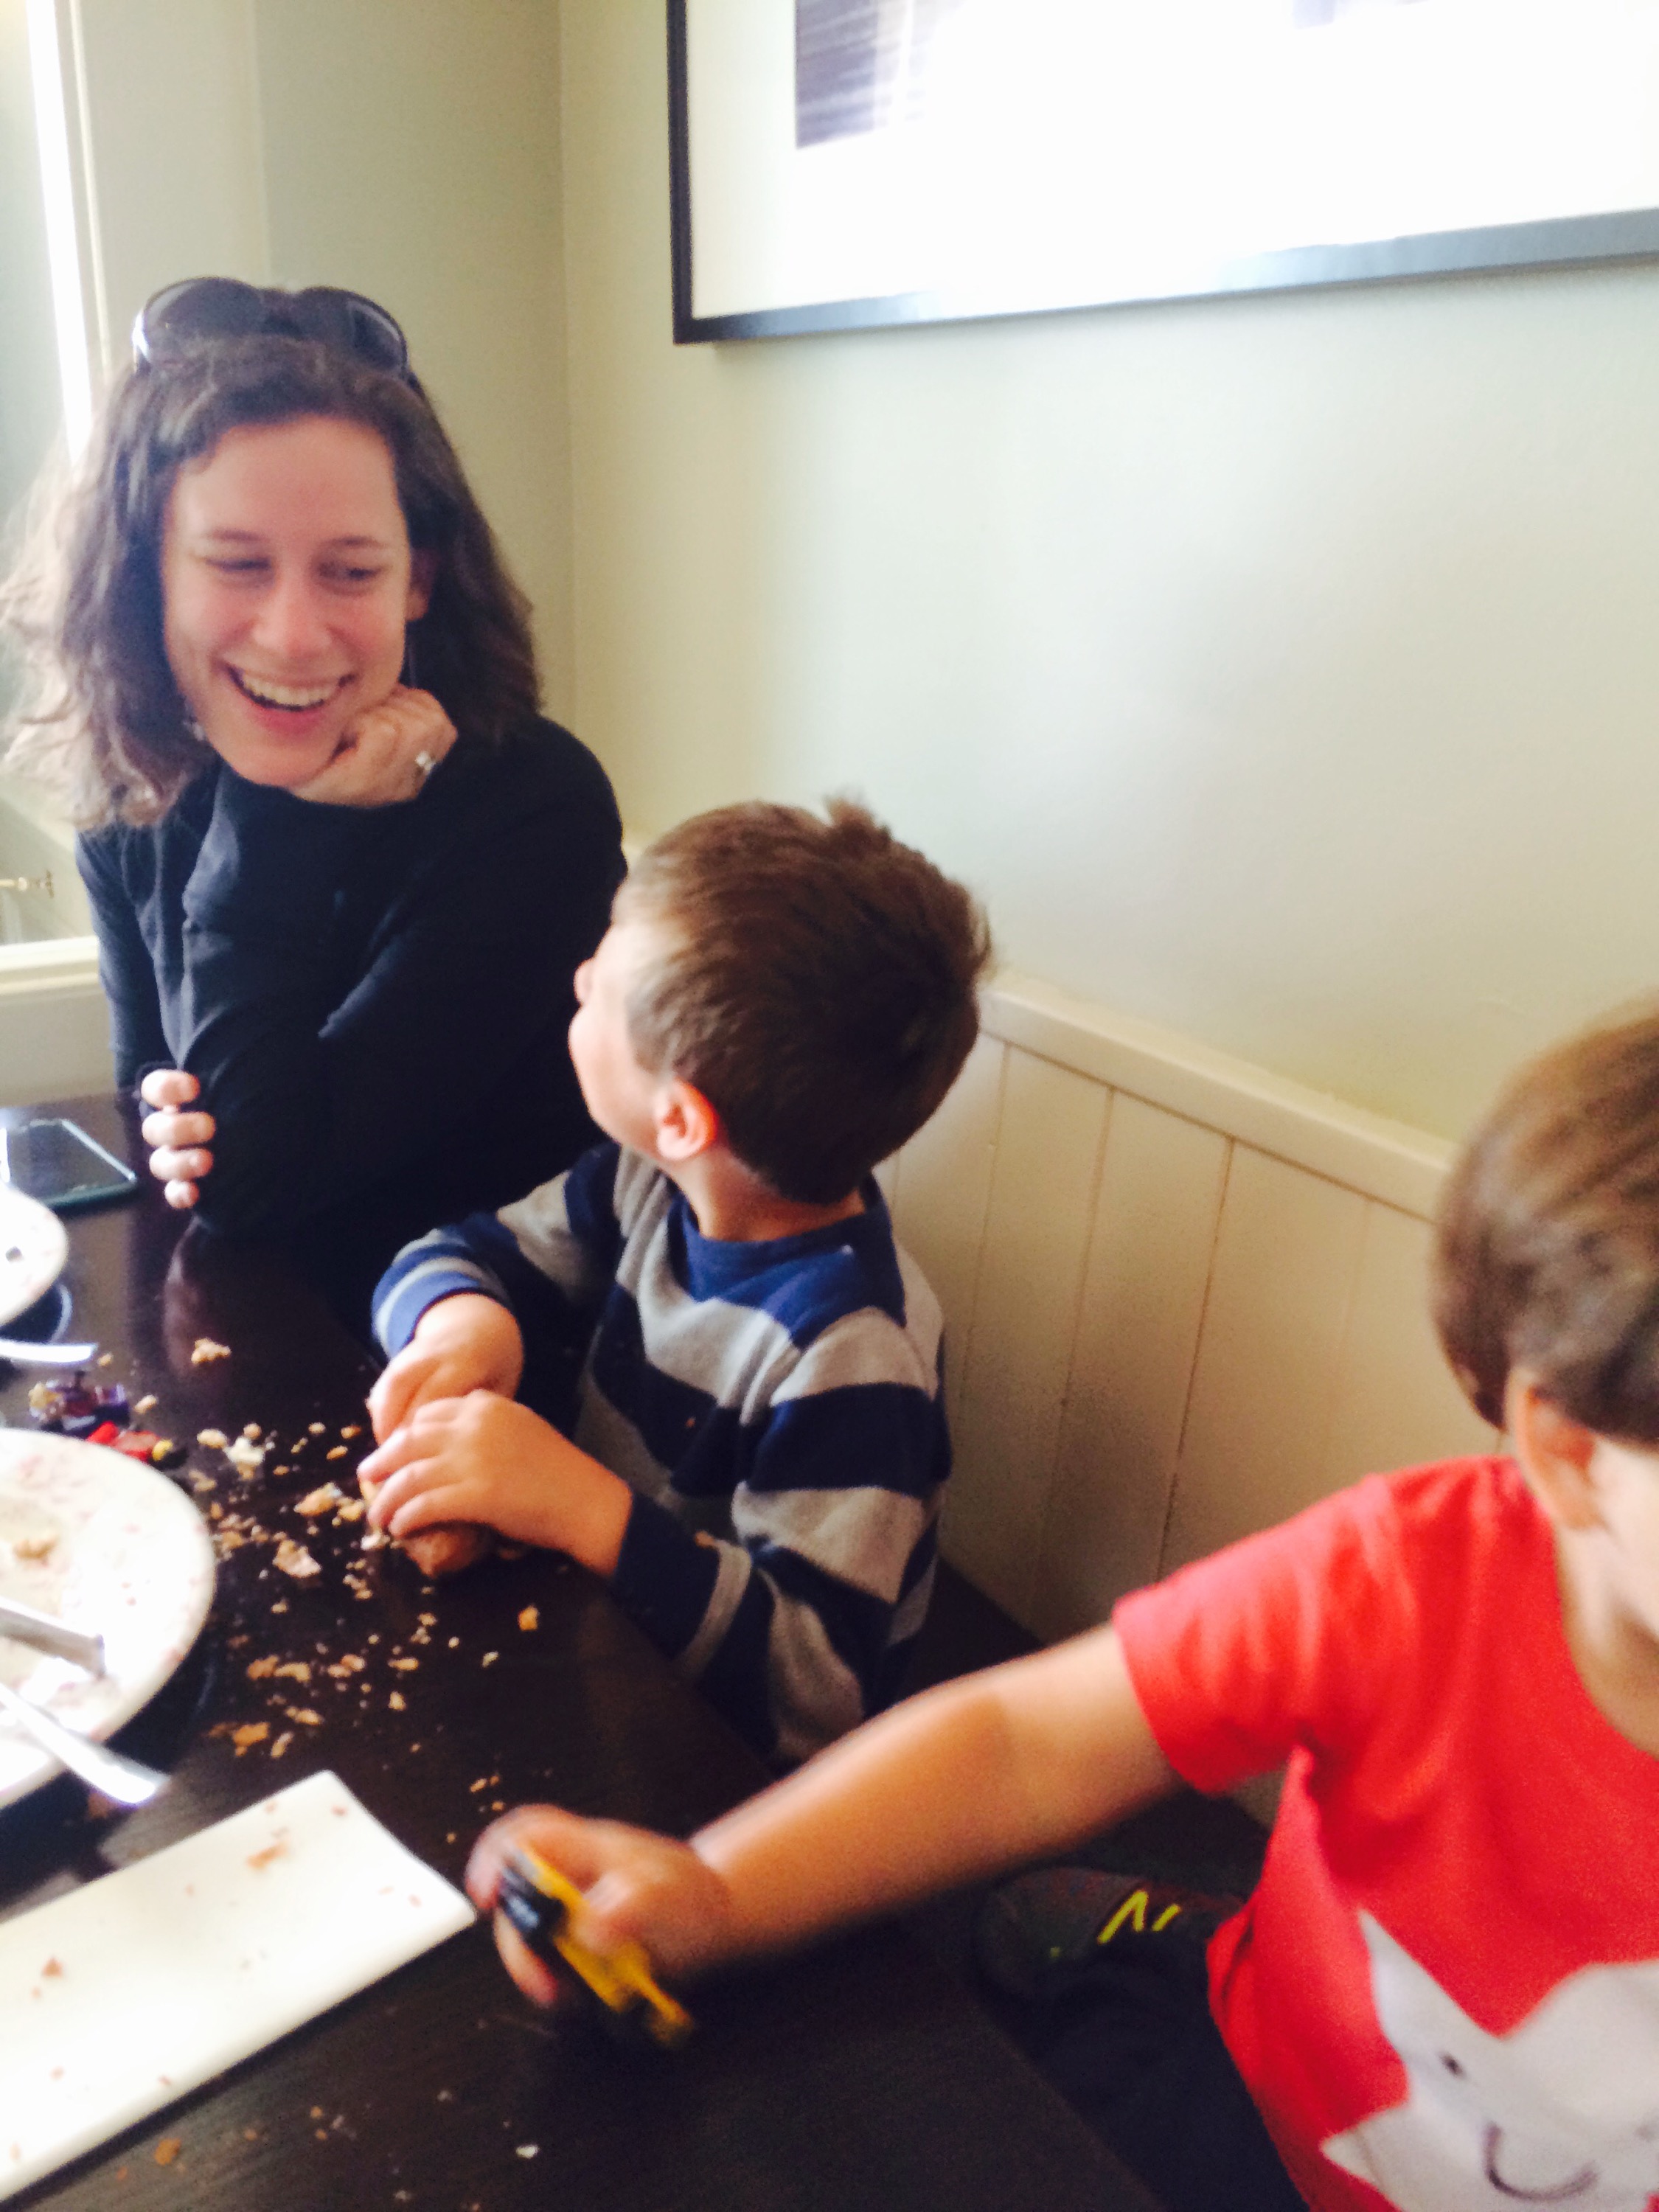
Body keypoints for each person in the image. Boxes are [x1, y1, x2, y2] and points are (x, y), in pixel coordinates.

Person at [465, 1006, 1659, 2212]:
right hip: (1251, 2109)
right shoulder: (1404, 1580)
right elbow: (1025, 1743)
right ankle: (1167, 1946)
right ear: (1567, 1454)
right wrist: (718, 1891)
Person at [1, 280, 623, 1326]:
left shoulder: (536, 810)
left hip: (478, 1368)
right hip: (249, 1326)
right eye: (237, 563)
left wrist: (279, 812)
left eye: (351, 570)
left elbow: (252, 1179)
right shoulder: (133, 792)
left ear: (417, 581)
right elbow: (165, 1111)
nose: (292, 634)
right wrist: (176, 1124)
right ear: (147, 570)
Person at [361, 799, 991, 1767]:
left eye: (601, 987)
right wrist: (464, 1327)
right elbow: (456, 1252)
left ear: (683, 1118)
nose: (578, 978)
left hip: (731, 1780)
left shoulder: (852, 1351)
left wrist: (581, 1508)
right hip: (608, 1649)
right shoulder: (644, 1183)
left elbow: (815, 1694)